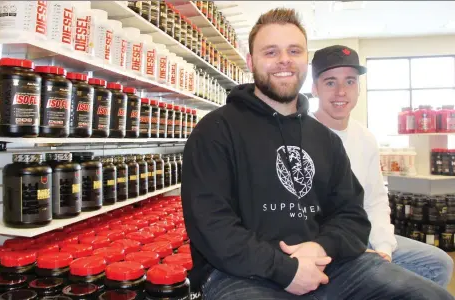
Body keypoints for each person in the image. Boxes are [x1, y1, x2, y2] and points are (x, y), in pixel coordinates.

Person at [181, 7, 454, 300]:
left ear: (305, 62)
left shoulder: (325, 140)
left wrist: (320, 247)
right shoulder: (215, 131)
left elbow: (352, 215)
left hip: (329, 264)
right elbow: (211, 224)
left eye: (294, 50)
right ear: (251, 61)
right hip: (242, 273)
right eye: (271, 52)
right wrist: (285, 269)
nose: (284, 59)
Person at [309, 44, 454, 287]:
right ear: (315, 88)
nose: (341, 92)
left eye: (350, 82)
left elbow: (375, 200)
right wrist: (347, 249)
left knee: (438, 263)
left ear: (359, 88)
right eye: (331, 82)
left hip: (363, 236)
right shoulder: (299, 136)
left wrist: (384, 248)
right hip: (322, 243)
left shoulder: (365, 138)